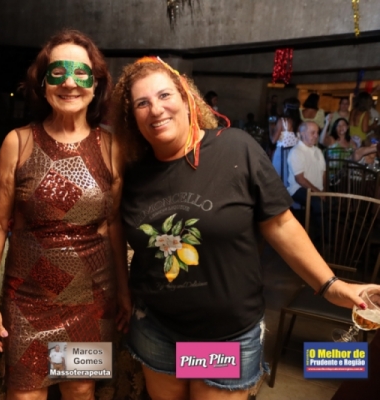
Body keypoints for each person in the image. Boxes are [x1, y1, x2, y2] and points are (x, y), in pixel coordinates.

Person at [111, 56, 378, 400]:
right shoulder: (132, 172)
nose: (156, 109)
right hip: (156, 329)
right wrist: (123, 293)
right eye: (142, 103)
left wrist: (330, 286)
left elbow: (281, 224)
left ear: (186, 98)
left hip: (223, 336)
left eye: (164, 95)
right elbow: (116, 231)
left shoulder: (234, 147)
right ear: (132, 117)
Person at [0, 29, 130, 400]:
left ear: (96, 85)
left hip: (90, 298)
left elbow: (112, 222)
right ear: (43, 83)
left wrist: (124, 292)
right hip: (28, 300)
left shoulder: (111, 147)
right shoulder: (18, 142)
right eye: (58, 72)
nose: (69, 83)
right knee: (24, 394)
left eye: (81, 74)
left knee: (80, 391)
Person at [287, 122, 325, 215]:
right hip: (298, 188)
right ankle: (315, 224)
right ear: (303, 134)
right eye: (313, 132)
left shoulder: (318, 151)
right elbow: (300, 179)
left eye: (317, 132)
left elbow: (324, 173)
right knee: (319, 205)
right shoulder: (296, 152)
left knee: (337, 200)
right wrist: (318, 192)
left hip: (316, 189)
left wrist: (324, 190)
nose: (316, 135)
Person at [270, 97, 301, 177]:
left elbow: (273, 140)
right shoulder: (301, 123)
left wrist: (271, 128)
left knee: (278, 177)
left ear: (286, 108)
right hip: (295, 154)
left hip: (281, 153)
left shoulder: (283, 121)